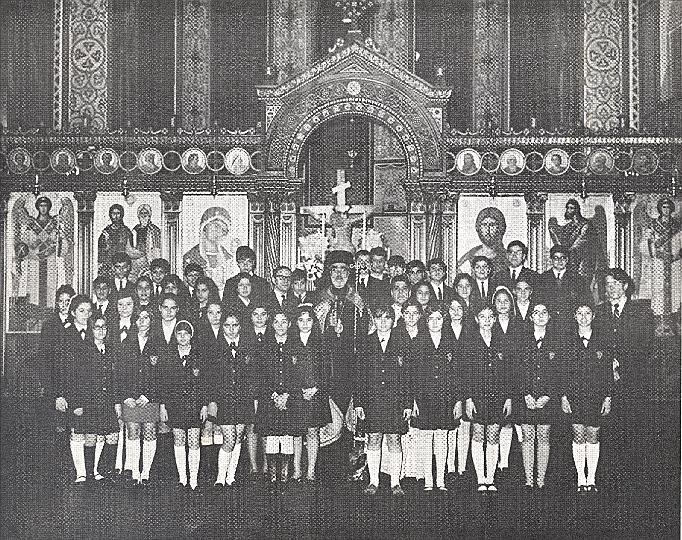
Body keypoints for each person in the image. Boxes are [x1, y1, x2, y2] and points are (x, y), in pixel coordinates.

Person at [313, 250, 367, 480]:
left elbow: (368, 336)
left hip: (351, 370)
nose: (339, 274)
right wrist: (322, 318)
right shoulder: (318, 297)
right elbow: (309, 336)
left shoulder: (358, 299)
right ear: (328, 272)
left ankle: (355, 470)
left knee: (354, 423)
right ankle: (327, 473)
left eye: (343, 269)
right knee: (328, 423)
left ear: (350, 272)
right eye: (334, 269)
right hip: (326, 371)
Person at [355, 305, 412, 496]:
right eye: (379, 318)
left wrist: (407, 404)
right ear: (374, 320)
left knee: (394, 439)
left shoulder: (403, 342)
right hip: (372, 401)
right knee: (374, 438)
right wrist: (359, 403)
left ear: (394, 320)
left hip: (395, 401)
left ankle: (395, 482)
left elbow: (408, 377)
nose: (383, 321)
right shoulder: (365, 342)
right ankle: (373, 481)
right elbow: (359, 376)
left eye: (387, 318)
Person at [561, 304, 612, 493]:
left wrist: (607, 397)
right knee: (578, 435)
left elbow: (607, 371)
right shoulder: (567, 340)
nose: (583, 317)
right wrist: (564, 396)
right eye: (580, 313)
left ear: (594, 316)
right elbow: (562, 371)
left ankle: (591, 478)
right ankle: (580, 478)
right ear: (574, 316)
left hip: (596, 396)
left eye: (587, 313)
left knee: (593, 436)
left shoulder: (602, 340)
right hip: (574, 396)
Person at [412, 303, 462, 491]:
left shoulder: (451, 343)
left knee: (442, 438)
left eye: (438, 318)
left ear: (444, 320)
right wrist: (413, 400)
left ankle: (440, 480)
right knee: (426, 438)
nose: (434, 322)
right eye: (431, 318)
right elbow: (411, 375)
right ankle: (428, 480)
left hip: (445, 399)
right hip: (424, 398)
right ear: (426, 321)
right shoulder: (417, 342)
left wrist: (458, 400)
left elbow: (458, 374)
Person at [464, 303, 512, 492]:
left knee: (493, 436)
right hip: (476, 396)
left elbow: (510, 372)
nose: (486, 320)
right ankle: (480, 478)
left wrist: (508, 398)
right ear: (476, 319)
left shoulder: (503, 341)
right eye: (482, 317)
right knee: (478, 436)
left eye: (489, 317)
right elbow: (464, 372)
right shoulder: (469, 341)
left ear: (494, 319)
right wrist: (468, 398)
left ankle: (490, 478)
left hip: (498, 396)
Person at [206, 311, 252, 487]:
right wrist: (212, 401)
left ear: (240, 326)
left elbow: (252, 375)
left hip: (242, 399)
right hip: (223, 400)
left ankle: (230, 477)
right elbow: (209, 378)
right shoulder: (214, 348)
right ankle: (220, 478)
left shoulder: (247, 346)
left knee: (239, 436)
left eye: (235, 325)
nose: (231, 329)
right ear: (222, 326)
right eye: (227, 325)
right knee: (229, 438)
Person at [118, 308, 162, 485]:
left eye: (146, 317)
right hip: (131, 398)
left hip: (149, 399)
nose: (143, 320)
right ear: (134, 321)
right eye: (139, 318)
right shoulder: (126, 343)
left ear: (152, 320)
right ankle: (135, 472)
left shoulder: (158, 343)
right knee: (133, 432)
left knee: (150, 433)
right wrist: (126, 395)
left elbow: (162, 373)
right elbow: (120, 373)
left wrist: (149, 395)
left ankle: (146, 473)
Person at [163, 320, 207, 491]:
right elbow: (164, 385)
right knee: (179, 440)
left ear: (191, 336)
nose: (182, 337)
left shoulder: (198, 355)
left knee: (194, 441)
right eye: (179, 334)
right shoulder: (169, 356)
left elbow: (204, 383)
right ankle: (182, 478)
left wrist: (204, 405)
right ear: (175, 336)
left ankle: (194, 479)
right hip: (175, 406)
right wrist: (164, 407)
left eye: (186, 334)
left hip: (194, 405)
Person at [255, 310, 296, 492]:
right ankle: (272, 477)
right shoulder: (265, 346)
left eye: (283, 321)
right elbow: (260, 374)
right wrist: (273, 395)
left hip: (290, 398)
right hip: (269, 399)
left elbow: (298, 374)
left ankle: (285, 475)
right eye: (276, 322)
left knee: (287, 436)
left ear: (289, 324)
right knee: (271, 436)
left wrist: (287, 394)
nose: (280, 325)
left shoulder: (295, 346)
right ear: (272, 325)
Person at [289, 305, 331, 483]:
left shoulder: (321, 342)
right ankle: (297, 469)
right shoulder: (290, 342)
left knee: (313, 432)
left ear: (314, 322)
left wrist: (316, 388)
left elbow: (327, 371)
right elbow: (288, 371)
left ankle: (311, 470)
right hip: (297, 395)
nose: (305, 324)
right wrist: (298, 390)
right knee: (297, 433)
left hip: (316, 394)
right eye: (301, 320)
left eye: (308, 320)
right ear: (295, 322)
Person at [520, 303, 559, 490]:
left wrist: (548, 395)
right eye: (536, 313)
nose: (541, 316)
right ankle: (528, 479)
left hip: (547, 398)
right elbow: (516, 370)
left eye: (545, 312)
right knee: (528, 436)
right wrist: (525, 393)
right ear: (530, 317)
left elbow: (560, 372)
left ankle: (541, 480)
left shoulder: (557, 341)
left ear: (549, 316)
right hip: (526, 397)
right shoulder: (521, 340)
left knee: (543, 436)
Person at [15, 195, 72, 310]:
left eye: (45, 205)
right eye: (41, 205)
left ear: (49, 207)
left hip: (50, 261)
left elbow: (62, 242)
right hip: (35, 261)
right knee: (34, 286)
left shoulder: (54, 224)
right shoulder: (32, 224)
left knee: (50, 285)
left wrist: (60, 242)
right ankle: (35, 308)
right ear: (37, 207)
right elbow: (25, 243)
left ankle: (50, 308)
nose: (43, 208)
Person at [490, 287, 524, 474]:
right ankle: (496, 461)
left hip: (514, 378)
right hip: (494, 379)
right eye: (499, 300)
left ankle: (504, 461)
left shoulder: (519, 325)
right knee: (496, 419)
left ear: (511, 303)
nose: (502, 304)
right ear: (493, 303)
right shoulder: (488, 324)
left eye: (506, 300)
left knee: (509, 420)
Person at [638, 197, 681, 335]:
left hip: (674, 264)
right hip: (659, 264)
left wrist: (677, 255)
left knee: (675, 293)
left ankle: (674, 324)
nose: (666, 210)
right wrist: (654, 252)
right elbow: (645, 244)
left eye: (668, 207)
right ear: (659, 209)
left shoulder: (677, 225)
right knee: (658, 292)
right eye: (664, 207)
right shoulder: (653, 225)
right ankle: (659, 325)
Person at [548, 199, 606, 298]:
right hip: (572, 261)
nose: (568, 211)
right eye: (567, 208)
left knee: (583, 288)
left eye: (571, 208)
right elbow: (562, 241)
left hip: (584, 261)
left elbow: (579, 241)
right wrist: (553, 230)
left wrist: (567, 250)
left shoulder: (586, 225)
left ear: (576, 210)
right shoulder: (569, 226)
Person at [444, 296, 472, 477]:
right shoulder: (441, 329)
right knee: (449, 428)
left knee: (465, 427)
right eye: (452, 308)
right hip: (446, 385)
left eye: (459, 308)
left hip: (466, 382)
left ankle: (462, 466)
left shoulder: (471, 331)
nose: (456, 311)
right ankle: (450, 466)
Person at [536, 245, 591, 331]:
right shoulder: (542, 279)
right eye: (556, 258)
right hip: (548, 325)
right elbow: (538, 301)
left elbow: (585, 301)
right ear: (551, 260)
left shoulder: (577, 279)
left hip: (571, 325)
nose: (559, 261)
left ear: (567, 260)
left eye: (563, 258)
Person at [457, 207, 508, 274]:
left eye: (492, 225)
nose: (487, 229)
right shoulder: (469, 256)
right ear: (478, 228)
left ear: (500, 228)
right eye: (484, 225)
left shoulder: (507, 258)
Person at [126, 204, 161, 281]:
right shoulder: (135, 230)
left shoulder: (155, 230)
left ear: (149, 215)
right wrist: (139, 254)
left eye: (146, 213)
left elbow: (157, 248)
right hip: (136, 262)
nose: (144, 215)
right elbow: (129, 249)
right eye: (141, 213)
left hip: (151, 261)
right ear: (138, 216)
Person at [98, 204, 133, 278]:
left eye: (118, 213)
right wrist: (107, 245)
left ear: (121, 215)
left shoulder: (126, 231)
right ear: (110, 215)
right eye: (113, 213)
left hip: (123, 265)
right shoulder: (106, 232)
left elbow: (130, 250)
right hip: (109, 264)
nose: (116, 216)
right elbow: (101, 253)